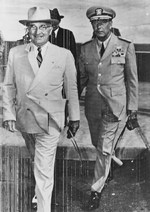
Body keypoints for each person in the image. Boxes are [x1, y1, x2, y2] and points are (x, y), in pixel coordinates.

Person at [2, 6, 80, 212]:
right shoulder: (15, 53)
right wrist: (8, 113)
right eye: (33, 27)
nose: (38, 32)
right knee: (37, 159)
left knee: (44, 169)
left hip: (50, 120)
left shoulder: (64, 55)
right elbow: (8, 85)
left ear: (51, 28)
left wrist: (74, 118)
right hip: (25, 119)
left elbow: (71, 87)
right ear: (27, 29)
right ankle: (40, 191)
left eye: (43, 27)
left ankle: (43, 207)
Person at [79, 6, 138, 211]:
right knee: (99, 144)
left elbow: (132, 81)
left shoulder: (125, 46)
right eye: (95, 22)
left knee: (104, 147)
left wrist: (133, 110)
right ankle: (108, 166)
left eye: (103, 22)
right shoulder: (86, 48)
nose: (99, 25)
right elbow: (82, 80)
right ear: (92, 24)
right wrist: (69, 109)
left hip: (115, 107)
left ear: (111, 23)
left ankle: (95, 190)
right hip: (93, 106)